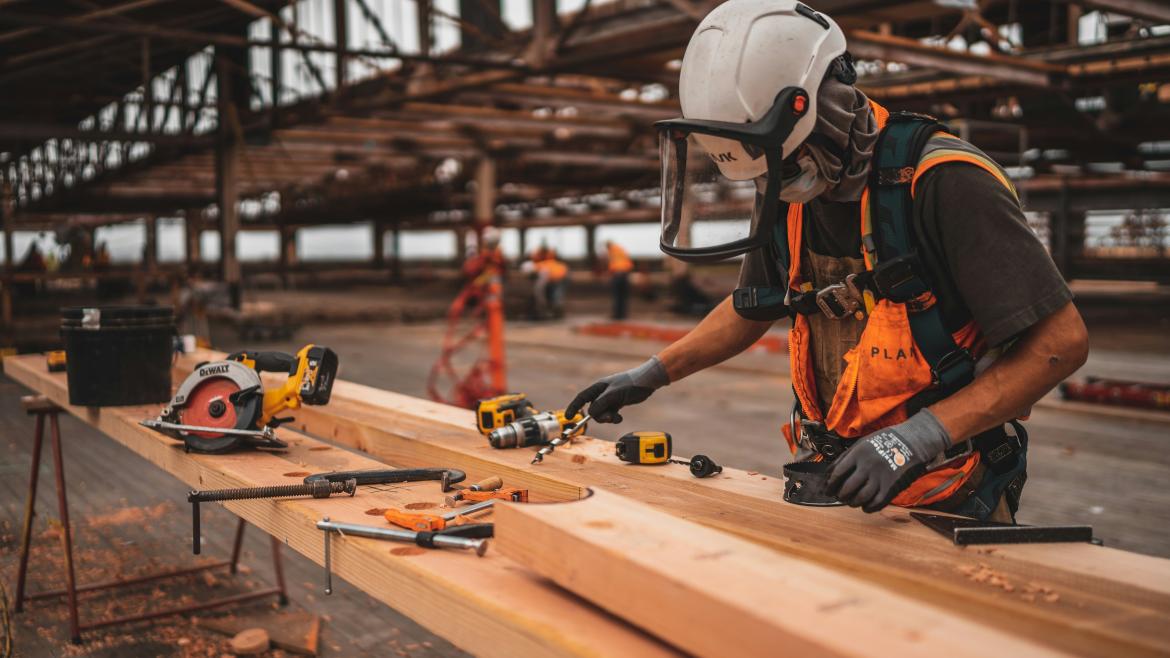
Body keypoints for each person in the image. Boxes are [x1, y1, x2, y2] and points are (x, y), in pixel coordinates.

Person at [565, 0, 1088, 522]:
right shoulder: (786, 187)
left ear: (825, 109)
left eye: (788, 163)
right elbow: (752, 307)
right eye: (769, 172)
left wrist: (918, 437)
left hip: (946, 486)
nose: (780, 183)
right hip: (829, 478)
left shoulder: (944, 182)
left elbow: (1061, 344)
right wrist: (652, 373)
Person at [605, 240, 633, 320]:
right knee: (623, 296)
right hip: (625, 274)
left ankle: (617, 315)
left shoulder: (612, 251)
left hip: (617, 275)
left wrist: (609, 273)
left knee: (617, 296)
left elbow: (612, 264)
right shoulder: (621, 249)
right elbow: (628, 263)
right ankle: (623, 314)